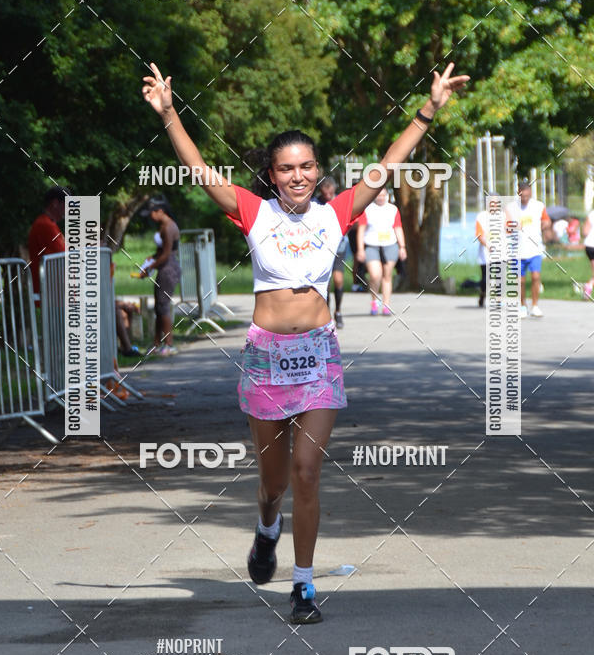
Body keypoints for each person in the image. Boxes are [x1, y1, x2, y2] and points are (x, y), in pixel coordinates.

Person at [142, 60, 469, 623]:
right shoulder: (253, 211)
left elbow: (389, 164)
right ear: (271, 174)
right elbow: (197, 170)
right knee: (272, 484)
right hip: (266, 358)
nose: (298, 176)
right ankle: (267, 526)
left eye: (307, 167)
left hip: (318, 355)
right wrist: (170, 113)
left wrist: (430, 107)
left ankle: (303, 587)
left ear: (318, 171)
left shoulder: (335, 214)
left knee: (307, 473)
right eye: (287, 168)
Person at [139, 198, 181, 355]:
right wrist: (152, 258)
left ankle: (169, 345)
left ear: (160, 211)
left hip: (168, 269)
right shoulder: (164, 226)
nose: (150, 217)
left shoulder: (169, 227)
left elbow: (166, 254)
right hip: (164, 267)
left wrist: (149, 268)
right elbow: (160, 252)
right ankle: (156, 344)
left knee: (163, 306)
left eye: (152, 213)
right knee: (159, 306)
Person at [356, 187, 407, 315]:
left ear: (387, 196)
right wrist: (360, 249)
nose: (381, 197)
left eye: (383, 195)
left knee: (387, 275)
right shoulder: (367, 209)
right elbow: (361, 230)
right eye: (378, 195)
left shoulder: (392, 209)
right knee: (375, 275)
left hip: (390, 244)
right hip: (371, 245)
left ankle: (386, 305)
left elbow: (398, 228)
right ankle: (374, 301)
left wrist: (402, 247)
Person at [508, 180, 551, 318]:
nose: (525, 199)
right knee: (520, 280)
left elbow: (546, 220)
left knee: (536, 277)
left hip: (535, 248)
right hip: (517, 249)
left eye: (527, 196)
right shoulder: (510, 207)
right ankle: (522, 305)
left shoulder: (538, 206)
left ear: (530, 193)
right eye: (523, 196)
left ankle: (535, 305)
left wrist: (545, 225)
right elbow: (505, 226)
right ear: (518, 193)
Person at [314, 176, 347, 328]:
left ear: (334, 189)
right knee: (325, 283)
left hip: (338, 247)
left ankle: (338, 311)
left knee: (338, 280)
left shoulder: (340, 202)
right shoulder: (314, 203)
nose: (327, 194)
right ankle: (326, 315)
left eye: (330, 190)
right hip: (320, 249)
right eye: (324, 191)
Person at [27, 187, 69, 295]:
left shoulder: (49, 224)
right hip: (52, 294)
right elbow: (64, 253)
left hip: (55, 291)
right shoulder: (45, 225)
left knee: (115, 306)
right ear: (55, 203)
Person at [475, 207, 490, 307]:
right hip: (485, 254)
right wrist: (488, 245)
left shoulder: (503, 216)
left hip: (500, 254)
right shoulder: (481, 216)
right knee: (485, 279)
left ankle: (497, 300)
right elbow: (479, 235)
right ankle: (482, 294)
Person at [582, 209, 594, 300]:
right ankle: (589, 286)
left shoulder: (591, 213)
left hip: (589, 245)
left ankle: (589, 286)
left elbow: (585, 232)